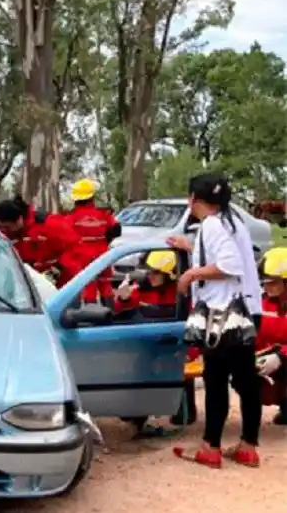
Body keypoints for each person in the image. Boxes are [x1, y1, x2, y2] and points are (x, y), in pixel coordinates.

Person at [167, 174, 263, 468]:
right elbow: (229, 253)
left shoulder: (210, 224)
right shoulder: (232, 220)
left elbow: (228, 264)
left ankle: (211, 447)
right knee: (247, 381)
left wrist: (190, 274)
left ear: (192, 199)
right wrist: (190, 248)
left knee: (216, 380)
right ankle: (248, 446)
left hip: (222, 315)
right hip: (247, 309)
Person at [113, 250, 200, 429]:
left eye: (156, 272)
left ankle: (184, 411)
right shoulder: (142, 287)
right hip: (148, 344)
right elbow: (122, 309)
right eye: (150, 271)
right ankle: (138, 414)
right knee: (140, 369)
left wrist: (191, 351)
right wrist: (123, 298)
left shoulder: (182, 291)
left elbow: (194, 321)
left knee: (183, 373)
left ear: (169, 275)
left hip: (175, 345)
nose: (150, 275)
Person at [0, 195, 80, 286]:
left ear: (19, 219)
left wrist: (56, 270)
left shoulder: (49, 224)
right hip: (29, 286)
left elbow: (74, 247)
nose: (2, 230)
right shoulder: (6, 233)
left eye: (6, 227)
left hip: (61, 285)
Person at [65, 179, 122, 306]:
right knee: (106, 285)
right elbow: (117, 230)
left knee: (89, 287)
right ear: (92, 197)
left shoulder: (70, 218)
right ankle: (111, 315)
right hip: (103, 256)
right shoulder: (104, 215)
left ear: (76, 199)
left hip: (82, 258)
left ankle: (91, 319)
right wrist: (105, 241)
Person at [255, 247, 287, 425]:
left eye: (273, 282)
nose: (267, 286)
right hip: (268, 357)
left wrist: (281, 355)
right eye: (265, 282)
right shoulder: (260, 303)